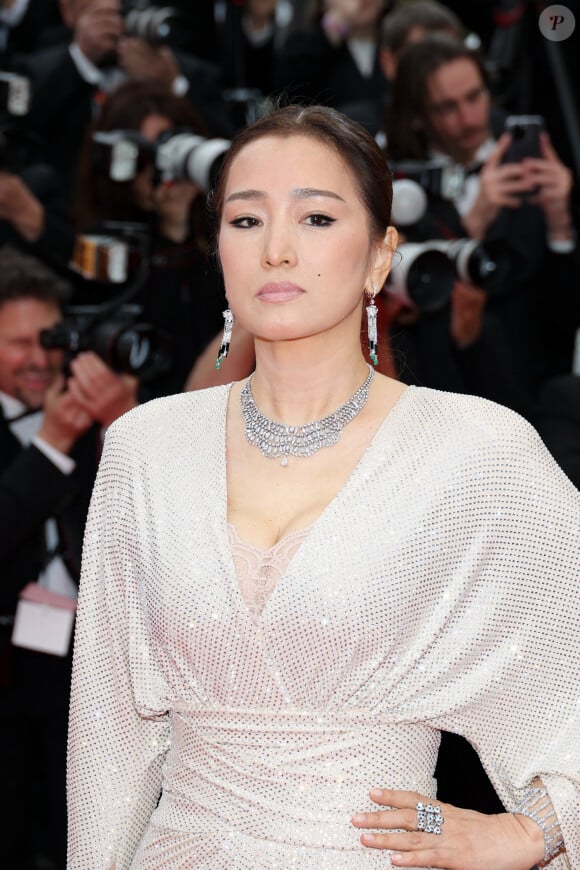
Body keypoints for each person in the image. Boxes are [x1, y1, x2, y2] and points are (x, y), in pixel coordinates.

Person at [67, 105, 579, 869]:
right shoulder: (147, 446)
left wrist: (533, 830)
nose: (276, 249)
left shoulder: (478, 451)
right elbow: (109, 740)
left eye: (314, 217)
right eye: (246, 221)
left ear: (380, 258)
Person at [0, 245, 137, 868]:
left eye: (48, 339)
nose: (37, 359)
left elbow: (158, 522)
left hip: (91, 667)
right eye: (15, 343)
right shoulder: (58, 426)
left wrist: (122, 424)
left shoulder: (100, 411)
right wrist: (52, 445)